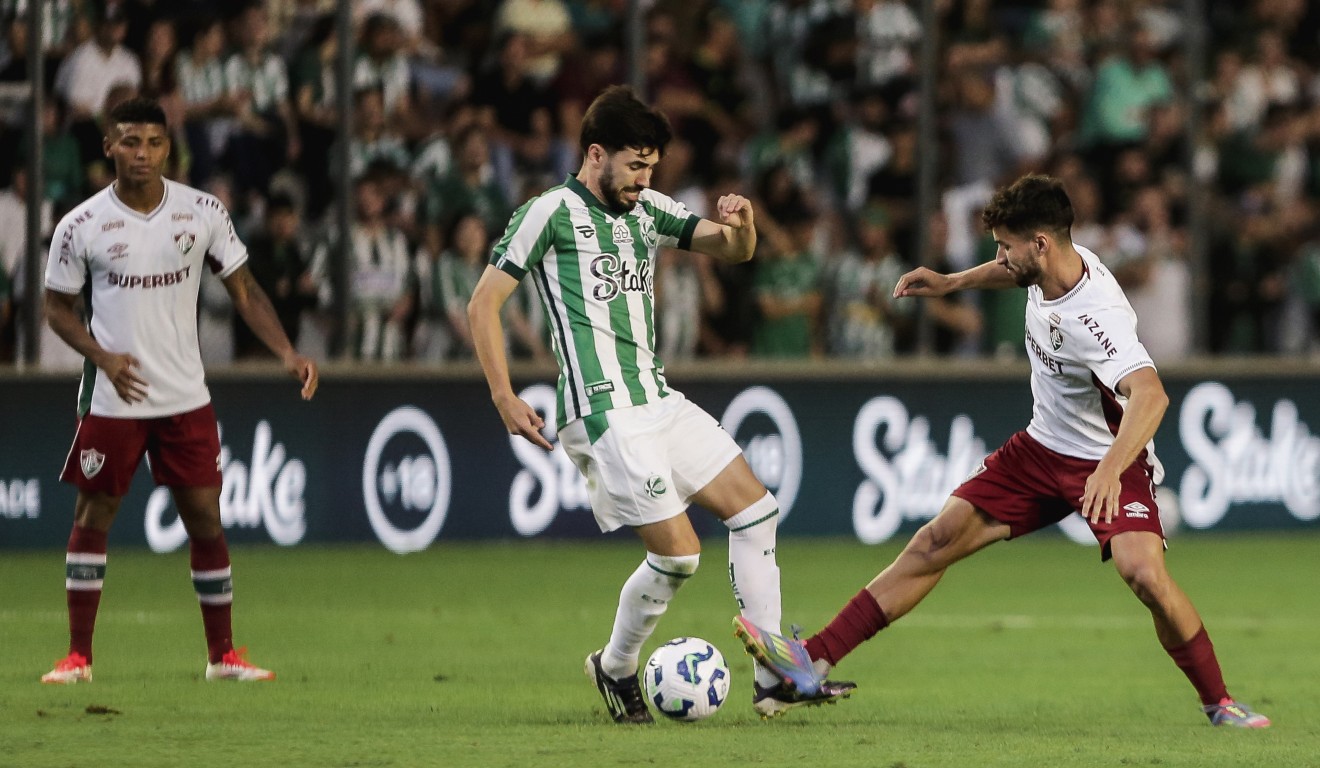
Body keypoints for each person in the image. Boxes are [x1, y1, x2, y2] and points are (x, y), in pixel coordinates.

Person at [733, 174, 1271, 729]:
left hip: (1108, 458)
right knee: (935, 540)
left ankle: (1219, 702)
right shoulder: (1051, 262)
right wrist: (950, 282)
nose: (999, 256)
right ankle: (810, 662)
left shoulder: (1097, 317)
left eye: (1005, 245)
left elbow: (1152, 394)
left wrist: (1110, 470)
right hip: (1040, 451)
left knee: (1145, 576)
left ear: (1039, 243)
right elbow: (1009, 272)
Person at [467, 85, 853, 723]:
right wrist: (503, 393)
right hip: (602, 409)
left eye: (652, 167)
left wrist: (745, 223)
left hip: (658, 398)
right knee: (678, 555)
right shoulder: (549, 212)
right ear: (597, 153)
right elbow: (484, 302)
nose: (645, 179)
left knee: (757, 512)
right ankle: (616, 667)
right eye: (636, 165)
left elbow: (732, 248)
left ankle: (773, 675)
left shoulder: (647, 209)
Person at [40, 97, 319, 685]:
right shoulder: (81, 224)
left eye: (154, 143)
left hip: (185, 395)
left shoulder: (202, 212)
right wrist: (102, 357)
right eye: (130, 142)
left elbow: (245, 291)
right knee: (95, 513)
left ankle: (222, 657)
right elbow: (56, 310)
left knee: (205, 518)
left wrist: (287, 352)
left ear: (170, 148)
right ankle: (77, 658)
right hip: (115, 395)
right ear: (109, 147)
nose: (142, 153)